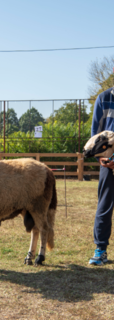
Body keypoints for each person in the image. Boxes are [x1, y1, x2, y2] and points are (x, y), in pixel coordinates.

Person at [89, 86, 114, 266]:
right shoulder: (104, 98)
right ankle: (100, 250)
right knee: (104, 205)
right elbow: (95, 134)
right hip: (108, 161)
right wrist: (103, 157)